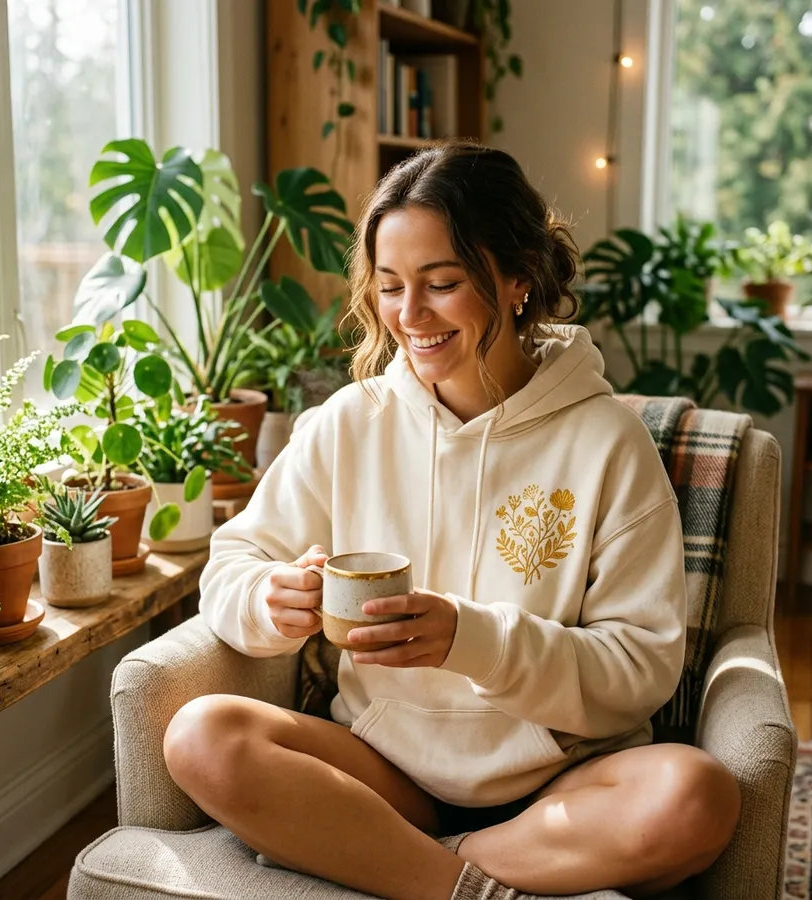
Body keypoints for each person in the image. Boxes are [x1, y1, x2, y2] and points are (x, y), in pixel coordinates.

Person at [162, 141, 741, 900]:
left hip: (561, 781)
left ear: (518, 281)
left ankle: (409, 863)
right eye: (392, 286)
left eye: (442, 284)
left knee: (696, 797)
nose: (410, 316)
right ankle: (465, 883)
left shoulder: (607, 444)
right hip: (385, 769)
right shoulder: (350, 423)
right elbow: (233, 560)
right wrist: (268, 596)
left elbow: (640, 668)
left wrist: (475, 641)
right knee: (201, 736)